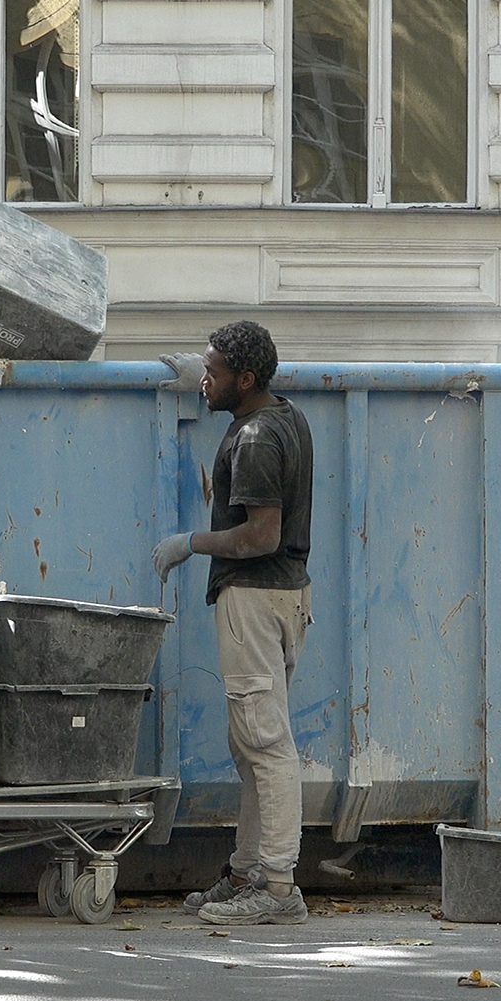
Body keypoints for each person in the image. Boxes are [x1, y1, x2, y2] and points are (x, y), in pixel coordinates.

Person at [152, 321, 314, 926]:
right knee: (251, 743)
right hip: (283, 600)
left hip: (254, 598)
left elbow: (262, 533)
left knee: (265, 745)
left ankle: (277, 890)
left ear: (245, 380)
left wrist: (192, 542)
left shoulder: (255, 440)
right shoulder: (285, 416)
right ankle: (249, 870)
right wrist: (198, 373)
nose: (203, 380)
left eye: (213, 373)